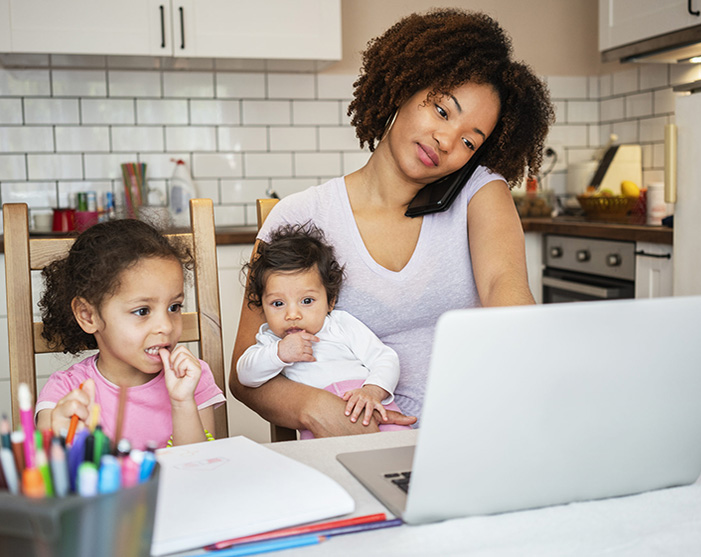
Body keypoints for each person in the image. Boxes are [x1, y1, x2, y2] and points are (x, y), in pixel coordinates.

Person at [230, 8, 554, 437]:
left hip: (471, 429)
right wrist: (317, 410)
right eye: (441, 110)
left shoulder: (481, 193)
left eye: (469, 141)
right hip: (357, 438)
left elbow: (505, 288)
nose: (446, 140)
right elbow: (243, 374)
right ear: (405, 85)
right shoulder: (299, 216)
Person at [35, 218, 225, 450]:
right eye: (142, 311)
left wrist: (182, 402)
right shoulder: (65, 391)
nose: (165, 326)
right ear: (87, 315)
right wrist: (62, 442)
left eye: (174, 307)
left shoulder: (192, 379)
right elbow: (51, 475)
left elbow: (200, 467)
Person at [235, 223, 413, 438]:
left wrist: (373, 391)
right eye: (278, 304)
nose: (292, 314)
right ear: (262, 306)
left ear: (330, 302)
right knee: (325, 467)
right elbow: (245, 375)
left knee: (404, 457)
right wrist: (279, 353)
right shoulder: (269, 340)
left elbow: (385, 358)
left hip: (372, 407)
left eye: (307, 301)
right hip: (320, 425)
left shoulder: (340, 324)